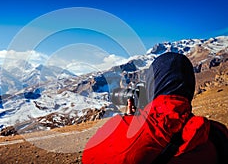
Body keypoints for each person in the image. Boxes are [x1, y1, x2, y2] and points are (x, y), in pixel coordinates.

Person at [82, 52, 228, 164]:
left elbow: (89, 156)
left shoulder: (127, 131)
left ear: (152, 83)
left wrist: (127, 122)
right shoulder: (217, 134)